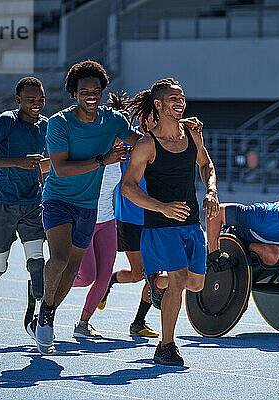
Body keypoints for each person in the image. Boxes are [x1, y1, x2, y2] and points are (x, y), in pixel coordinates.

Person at [27, 60, 142, 355]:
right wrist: (104, 159)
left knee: (76, 269)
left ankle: (47, 310)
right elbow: (61, 169)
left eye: (96, 90)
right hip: (58, 200)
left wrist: (178, 133)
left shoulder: (113, 121)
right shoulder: (59, 123)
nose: (90, 94)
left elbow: (142, 143)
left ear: (103, 91)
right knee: (61, 258)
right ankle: (47, 315)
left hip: (89, 208)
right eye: (83, 90)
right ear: (73, 93)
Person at [122, 78, 219, 366]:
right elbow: (128, 187)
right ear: (159, 104)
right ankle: (166, 346)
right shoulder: (146, 144)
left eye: (182, 97)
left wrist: (211, 190)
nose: (180, 102)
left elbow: (206, 164)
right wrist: (161, 207)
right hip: (160, 226)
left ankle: (156, 282)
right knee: (178, 281)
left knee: (197, 284)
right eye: (173, 98)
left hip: (191, 225)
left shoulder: (192, 134)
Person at [0, 76, 50, 303]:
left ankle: (41, 304)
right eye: (30, 99)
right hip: (1, 201)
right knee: (0, 260)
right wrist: (18, 162)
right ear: (18, 99)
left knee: (37, 260)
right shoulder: (6, 121)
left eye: (41, 98)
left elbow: (39, 164)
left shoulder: (45, 125)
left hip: (32, 201)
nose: (36, 103)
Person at [97, 92, 159, 338]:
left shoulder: (163, 140)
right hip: (131, 217)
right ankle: (109, 282)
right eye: (152, 118)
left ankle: (138, 322)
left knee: (156, 272)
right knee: (138, 274)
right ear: (143, 118)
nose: (155, 122)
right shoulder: (128, 137)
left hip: (156, 216)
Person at [71, 143, 122, 339]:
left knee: (104, 277)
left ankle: (83, 324)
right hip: (83, 220)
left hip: (107, 221)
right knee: (86, 277)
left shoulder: (121, 153)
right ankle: (48, 284)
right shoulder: (88, 149)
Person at [205, 181, 279, 269]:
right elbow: (217, 212)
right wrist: (213, 253)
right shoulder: (261, 215)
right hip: (240, 238)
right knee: (272, 254)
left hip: (268, 241)